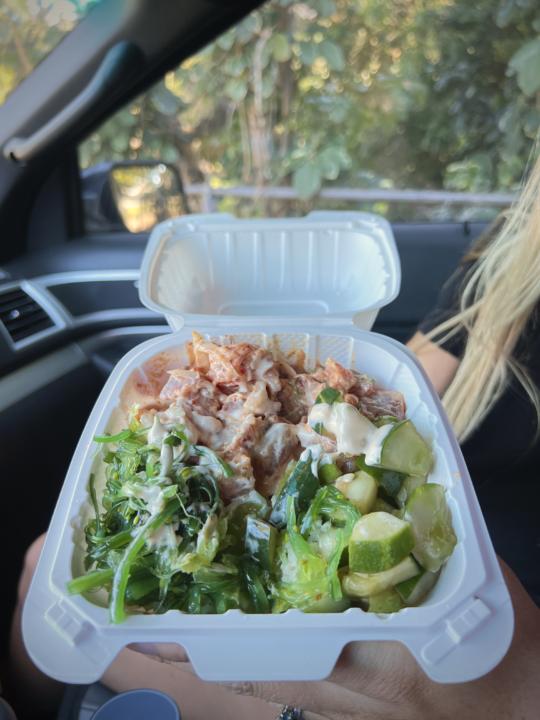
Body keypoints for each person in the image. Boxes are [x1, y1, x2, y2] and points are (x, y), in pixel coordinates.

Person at [8, 157, 540, 718]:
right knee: (41, 564)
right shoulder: (511, 255)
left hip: (462, 651)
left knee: (42, 592)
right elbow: (412, 382)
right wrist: (346, 411)